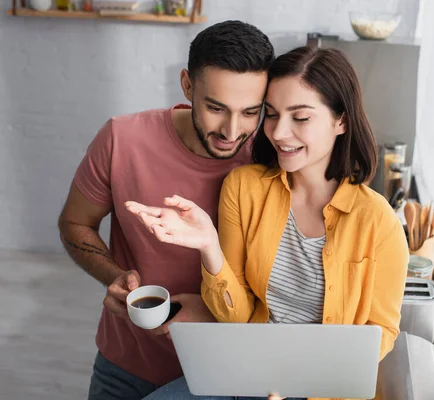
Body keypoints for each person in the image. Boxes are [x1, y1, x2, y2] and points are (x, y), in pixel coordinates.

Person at [127, 46, 409, 400]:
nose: (278, 133)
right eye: (272, 115)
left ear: (341, 121)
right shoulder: (243, 188)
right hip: (245, 370)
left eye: (300, 118)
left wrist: (300, 377)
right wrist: (209, 246)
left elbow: (380, 333)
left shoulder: (378, 221)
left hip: (320, 386)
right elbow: (237, 315)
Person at [57, 21, 275, 400]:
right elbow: (76, 223)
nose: (231, 130)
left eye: (250, 112)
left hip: (227, 372)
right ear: (187, 85)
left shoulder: (271, 158)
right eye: (215, 108)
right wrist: (117, 277)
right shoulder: (122, 139)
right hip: (126, 364)